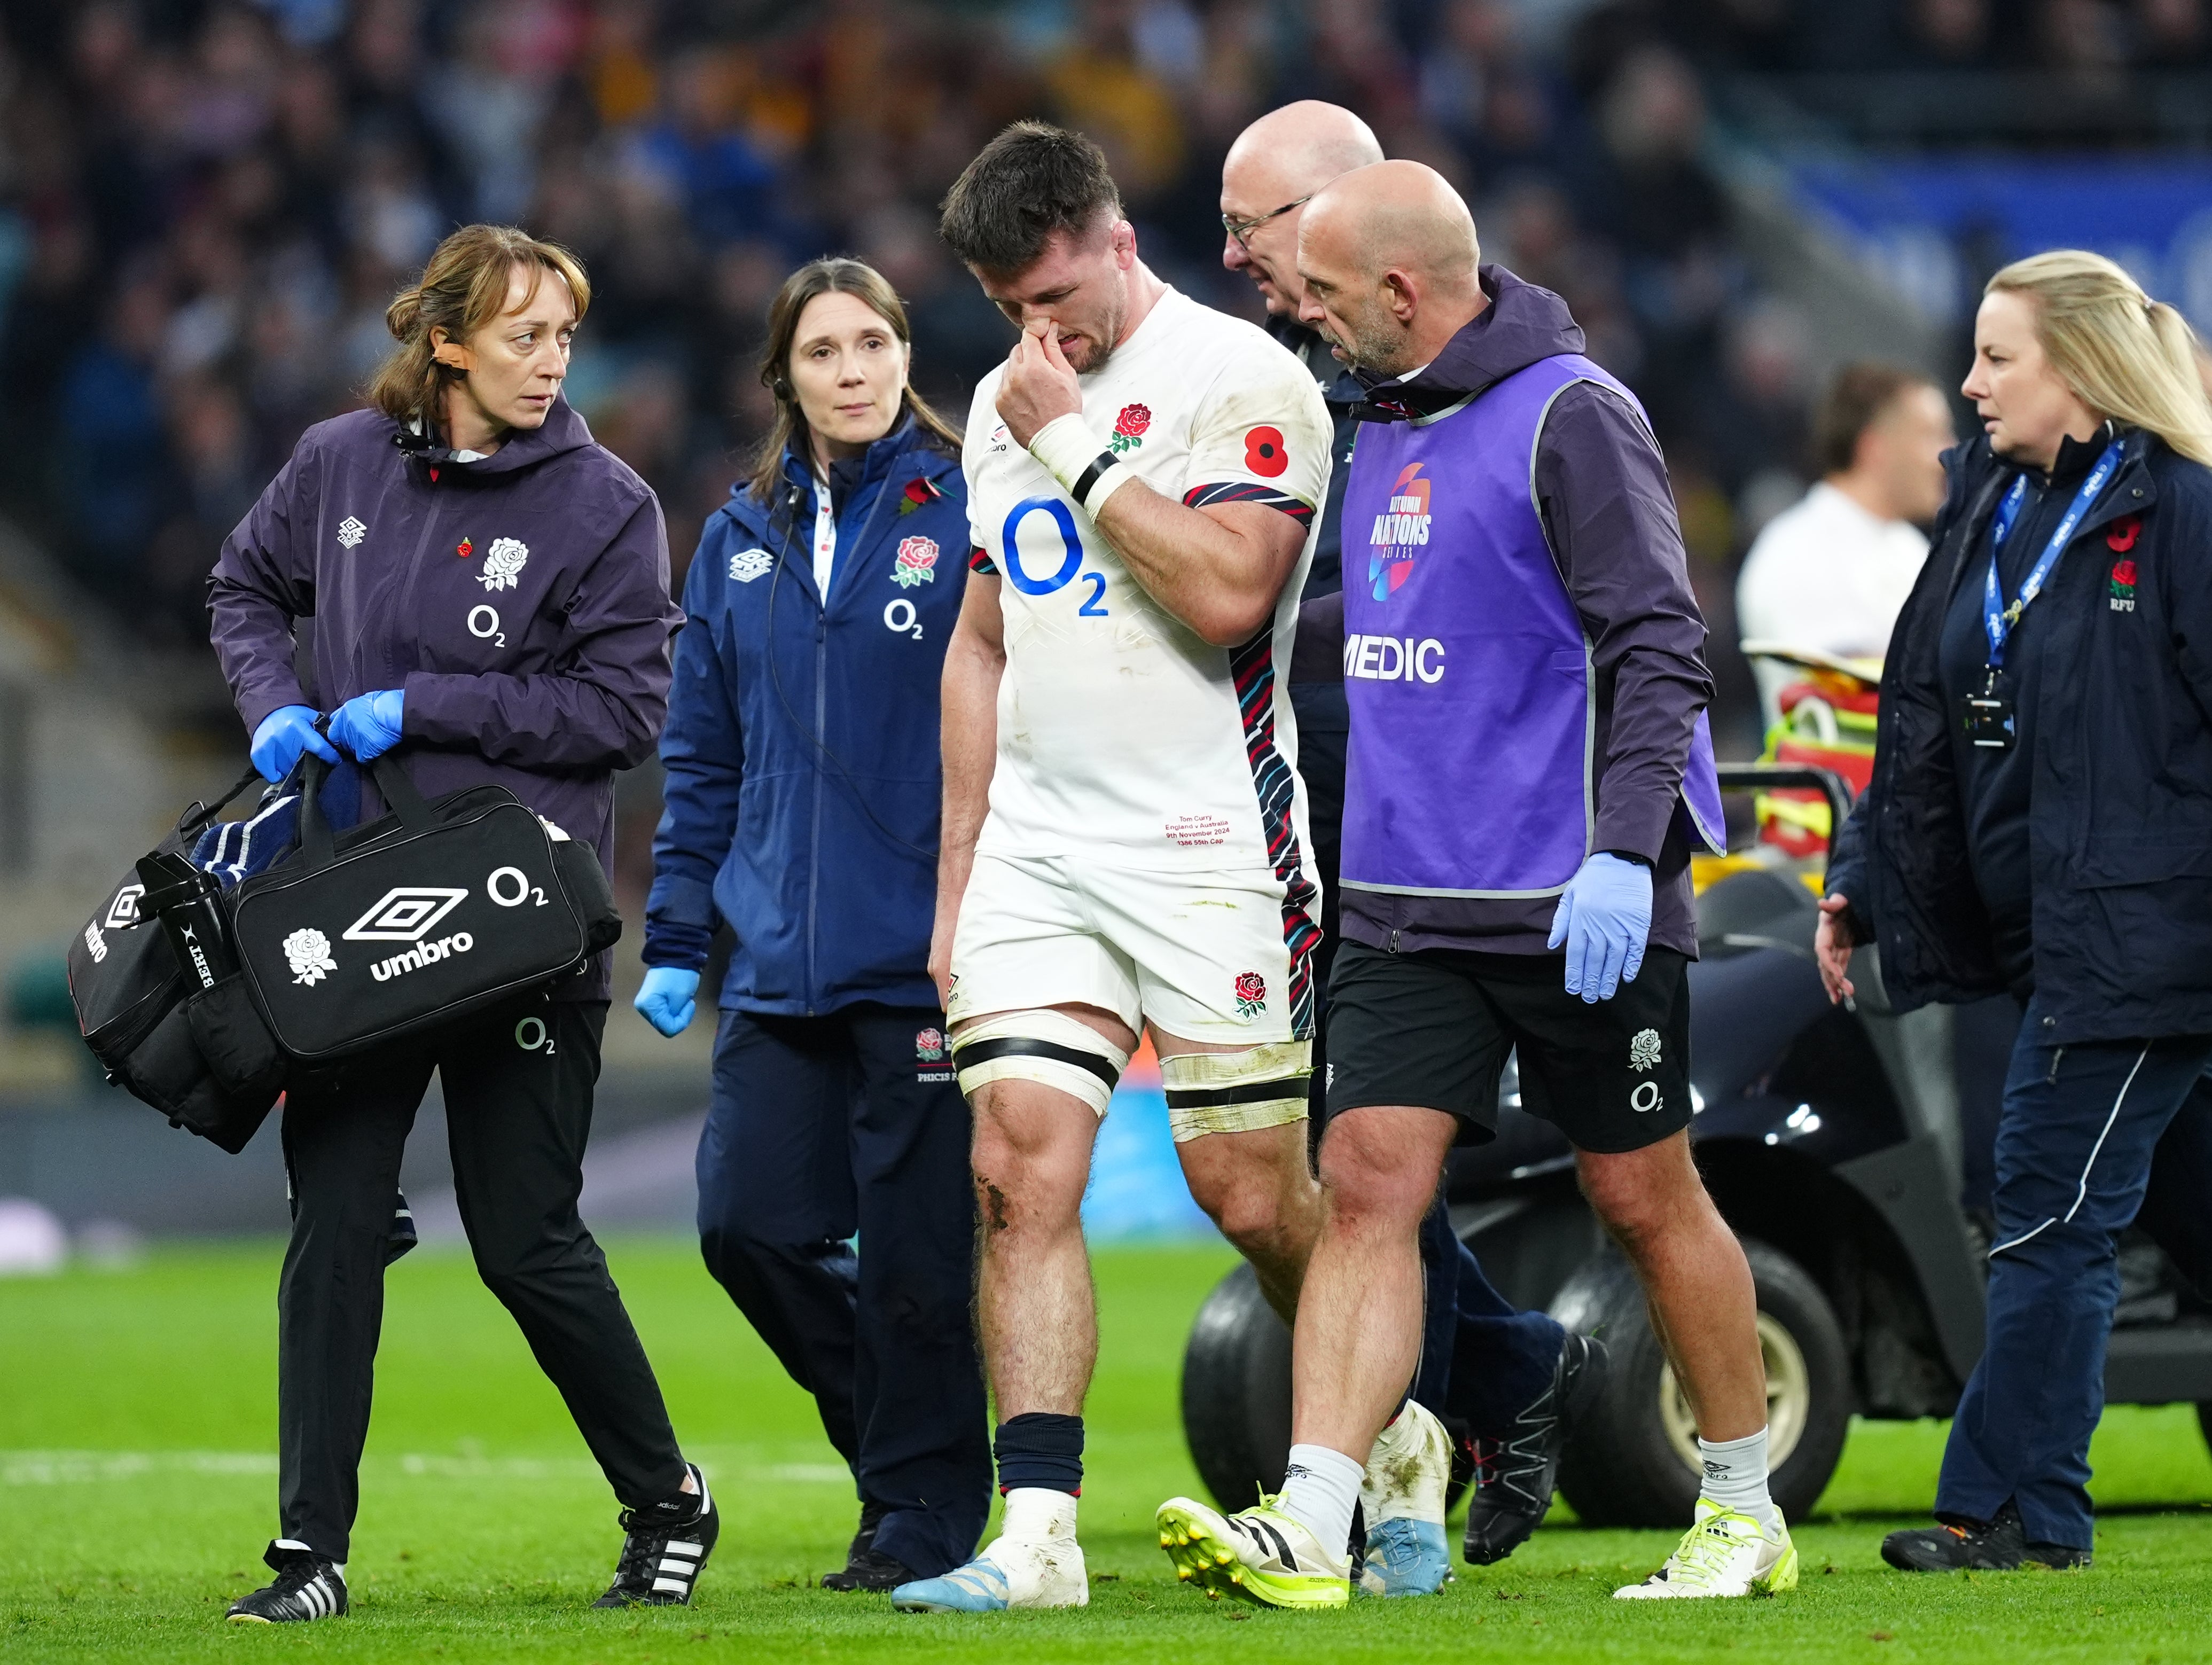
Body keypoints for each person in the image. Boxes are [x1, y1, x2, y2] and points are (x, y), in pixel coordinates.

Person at [1158, 161, 1793, 1608]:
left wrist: (1626, 852)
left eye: (1322, 294)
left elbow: (1654, 642)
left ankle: (1741, 1505)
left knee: (1641, 1196)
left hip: (1569, 894)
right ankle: (1315, 1518)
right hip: (1398, 893)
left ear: (1399, 291)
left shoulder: (1576, 416)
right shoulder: (1380, 417)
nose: (1303, 319)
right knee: (1369, 1189)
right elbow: (1392, 607)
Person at [889, 122, 1456, 1614]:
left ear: (1117, 240)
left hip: (1213, 837)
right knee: (1016, 1167)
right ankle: (1036, 1536)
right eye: (1007, 308)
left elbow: (1224, 595)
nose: (1038, 331)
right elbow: (984, 637)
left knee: (1252, 1196)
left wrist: (1073, 432)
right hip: (1041, 845)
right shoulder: (1003, 402)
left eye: (1056, 293)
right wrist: (956, 884)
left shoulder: (1243, 381)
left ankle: (1390, 1438)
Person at [207, 224, 711, 1623]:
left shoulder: (606, 502)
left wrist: (428, 704)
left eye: (563, 334)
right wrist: (270, 708)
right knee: (337, 1219)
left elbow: (624, 713)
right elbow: (244, 587)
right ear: (445, 342)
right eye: (525, 333)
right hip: (362, 912)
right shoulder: (337, 463)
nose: (553, 359)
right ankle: (310, 1558)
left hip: (520, 918)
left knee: (523, 1235)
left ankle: (668, 1495)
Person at [1218, 99, 1598, 1570]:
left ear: (1351, 217)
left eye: (1256, 229)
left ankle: (1440, 1427)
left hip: (1403, 797)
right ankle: (1494, 1378)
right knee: (1331, 1150)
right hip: (1299, 770)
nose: (1243, 259)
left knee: (1360, 1149)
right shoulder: (1309, 369)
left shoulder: (1417, 378)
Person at [1818, 251, 2212, 1574]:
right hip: (2042, 935)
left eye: (1998, 358)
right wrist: (1860, 879)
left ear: (2083, 371)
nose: (1967, 384)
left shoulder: (2185, 520)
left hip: (2140, 944)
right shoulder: (1987, 514)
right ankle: (2022, 1506)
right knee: (2131, 1217)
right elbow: (1919, 727)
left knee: (2047, 1210)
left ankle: (2008, 1511)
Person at [635, 257, 990, 1591]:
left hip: (920, 959)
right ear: (781, 376)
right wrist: (678, 936)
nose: (853, 371)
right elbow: (703, 758)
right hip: (774, 957)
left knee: (914, 1260)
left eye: (874, 343)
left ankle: (919, 1505)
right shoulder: (734, 542)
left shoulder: (969, 508)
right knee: (746, 1230)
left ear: (904, 353)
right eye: (824, 351)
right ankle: (917, 1456)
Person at [1737, 362, 1956, 723]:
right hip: (1843, 777)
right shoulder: (1796, 551)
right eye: (1931, 434)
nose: (1949, 454)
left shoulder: (1909, 548)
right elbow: (1849, 690)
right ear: (1875, 448)